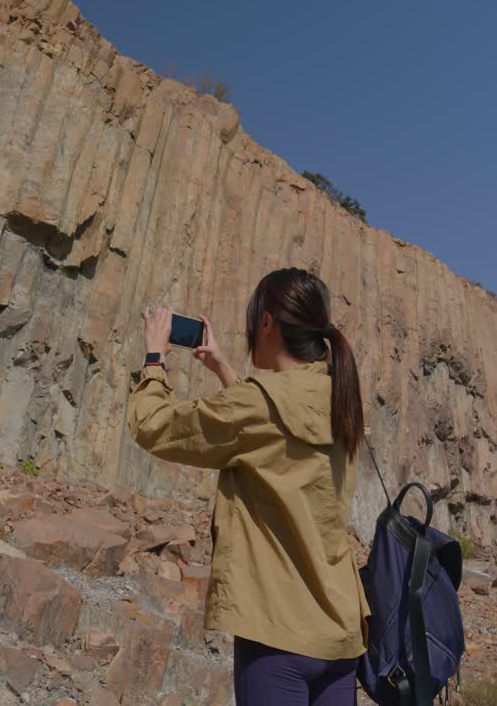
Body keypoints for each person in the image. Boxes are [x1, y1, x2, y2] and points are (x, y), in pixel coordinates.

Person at [126, 268, 368, 706]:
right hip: (340, 634)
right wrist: (222, 367)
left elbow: (153, 427)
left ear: (267, 323)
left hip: (278, 635)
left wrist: (155, 358)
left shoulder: (258, 404)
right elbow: (275, 430)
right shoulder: (338, 396)